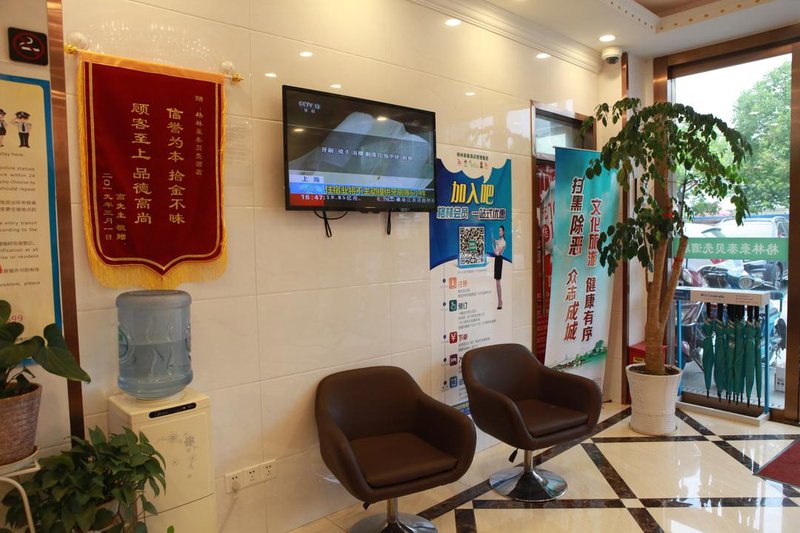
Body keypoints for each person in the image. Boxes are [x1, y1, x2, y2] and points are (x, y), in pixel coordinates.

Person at [493, 225, 506, 310]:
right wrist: (494, 242)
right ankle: (499, 301)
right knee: (497, 281)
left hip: (499, 259)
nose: (499, 232)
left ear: (503, 232)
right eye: (499, 230)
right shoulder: (498, 241)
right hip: (496, 259)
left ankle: (500, 302)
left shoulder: (503, 242)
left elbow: (498, 253)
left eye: (501, 230)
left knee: (498, 281)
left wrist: (495, 245)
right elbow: (495, 249)